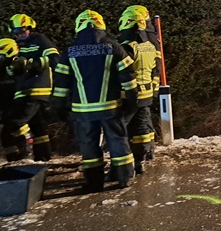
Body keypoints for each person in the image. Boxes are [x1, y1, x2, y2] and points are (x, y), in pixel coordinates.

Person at [52, 10, 138, 191]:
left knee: (89, 146)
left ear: (79, 26)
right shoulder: (114, 47)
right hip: (111, 108)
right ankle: (124, 178)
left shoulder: (69, 52)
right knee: (118, 140)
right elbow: (128, 74)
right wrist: (131, 99)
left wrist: (60, 106)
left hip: (83, 111)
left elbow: (61, 82)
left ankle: (94, 182)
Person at [8, 14, 60, 161]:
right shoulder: (17, 45)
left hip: (36, 89)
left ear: (30, 28)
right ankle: (43, 158)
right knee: (37, 126)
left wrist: (34, 64)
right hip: (22, 90)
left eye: (22, 31)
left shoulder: (40, 40)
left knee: (16, 123)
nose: (19, 35)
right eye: (16, 33)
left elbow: (55, 59)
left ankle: (23, 155)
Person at [117, 5, 162, 175]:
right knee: (143, 128)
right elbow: (155, 69)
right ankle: (142, 158)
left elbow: (123, 71)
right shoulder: (150, 44)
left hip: (128, 95)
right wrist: (154, 90)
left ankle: (124, 166)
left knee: (122, 129)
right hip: (147, 93)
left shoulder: (128, 45)